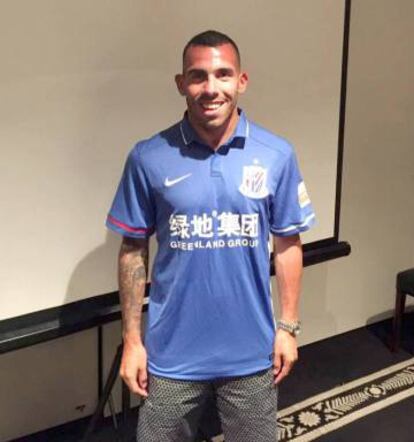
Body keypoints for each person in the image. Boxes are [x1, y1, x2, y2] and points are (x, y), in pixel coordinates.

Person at [106, 30, 315, 442]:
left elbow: (288, 244)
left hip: (251, 353)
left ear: (242, 81)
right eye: (198, 76)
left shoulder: (276, 154)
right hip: (171, 355)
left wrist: (287, 328)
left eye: (223, 74)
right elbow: (133, 251)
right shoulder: (148, 156)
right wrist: (132, 340)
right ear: (181, 83)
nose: (211, 88)